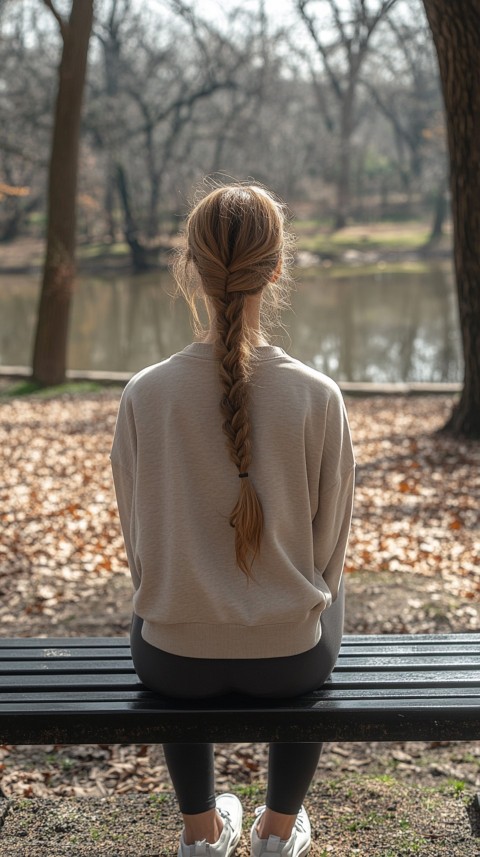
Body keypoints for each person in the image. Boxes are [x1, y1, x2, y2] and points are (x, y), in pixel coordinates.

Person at [111, 183, 355, 857]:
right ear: (276, 269)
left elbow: (142, 548)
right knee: (333, 589)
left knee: (168, 600)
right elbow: (329, 552)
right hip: (291, 663)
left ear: (190, 265)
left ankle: (200, 832)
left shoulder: (144, 394)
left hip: (172, 662)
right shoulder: (318, 396)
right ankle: (277, 831)